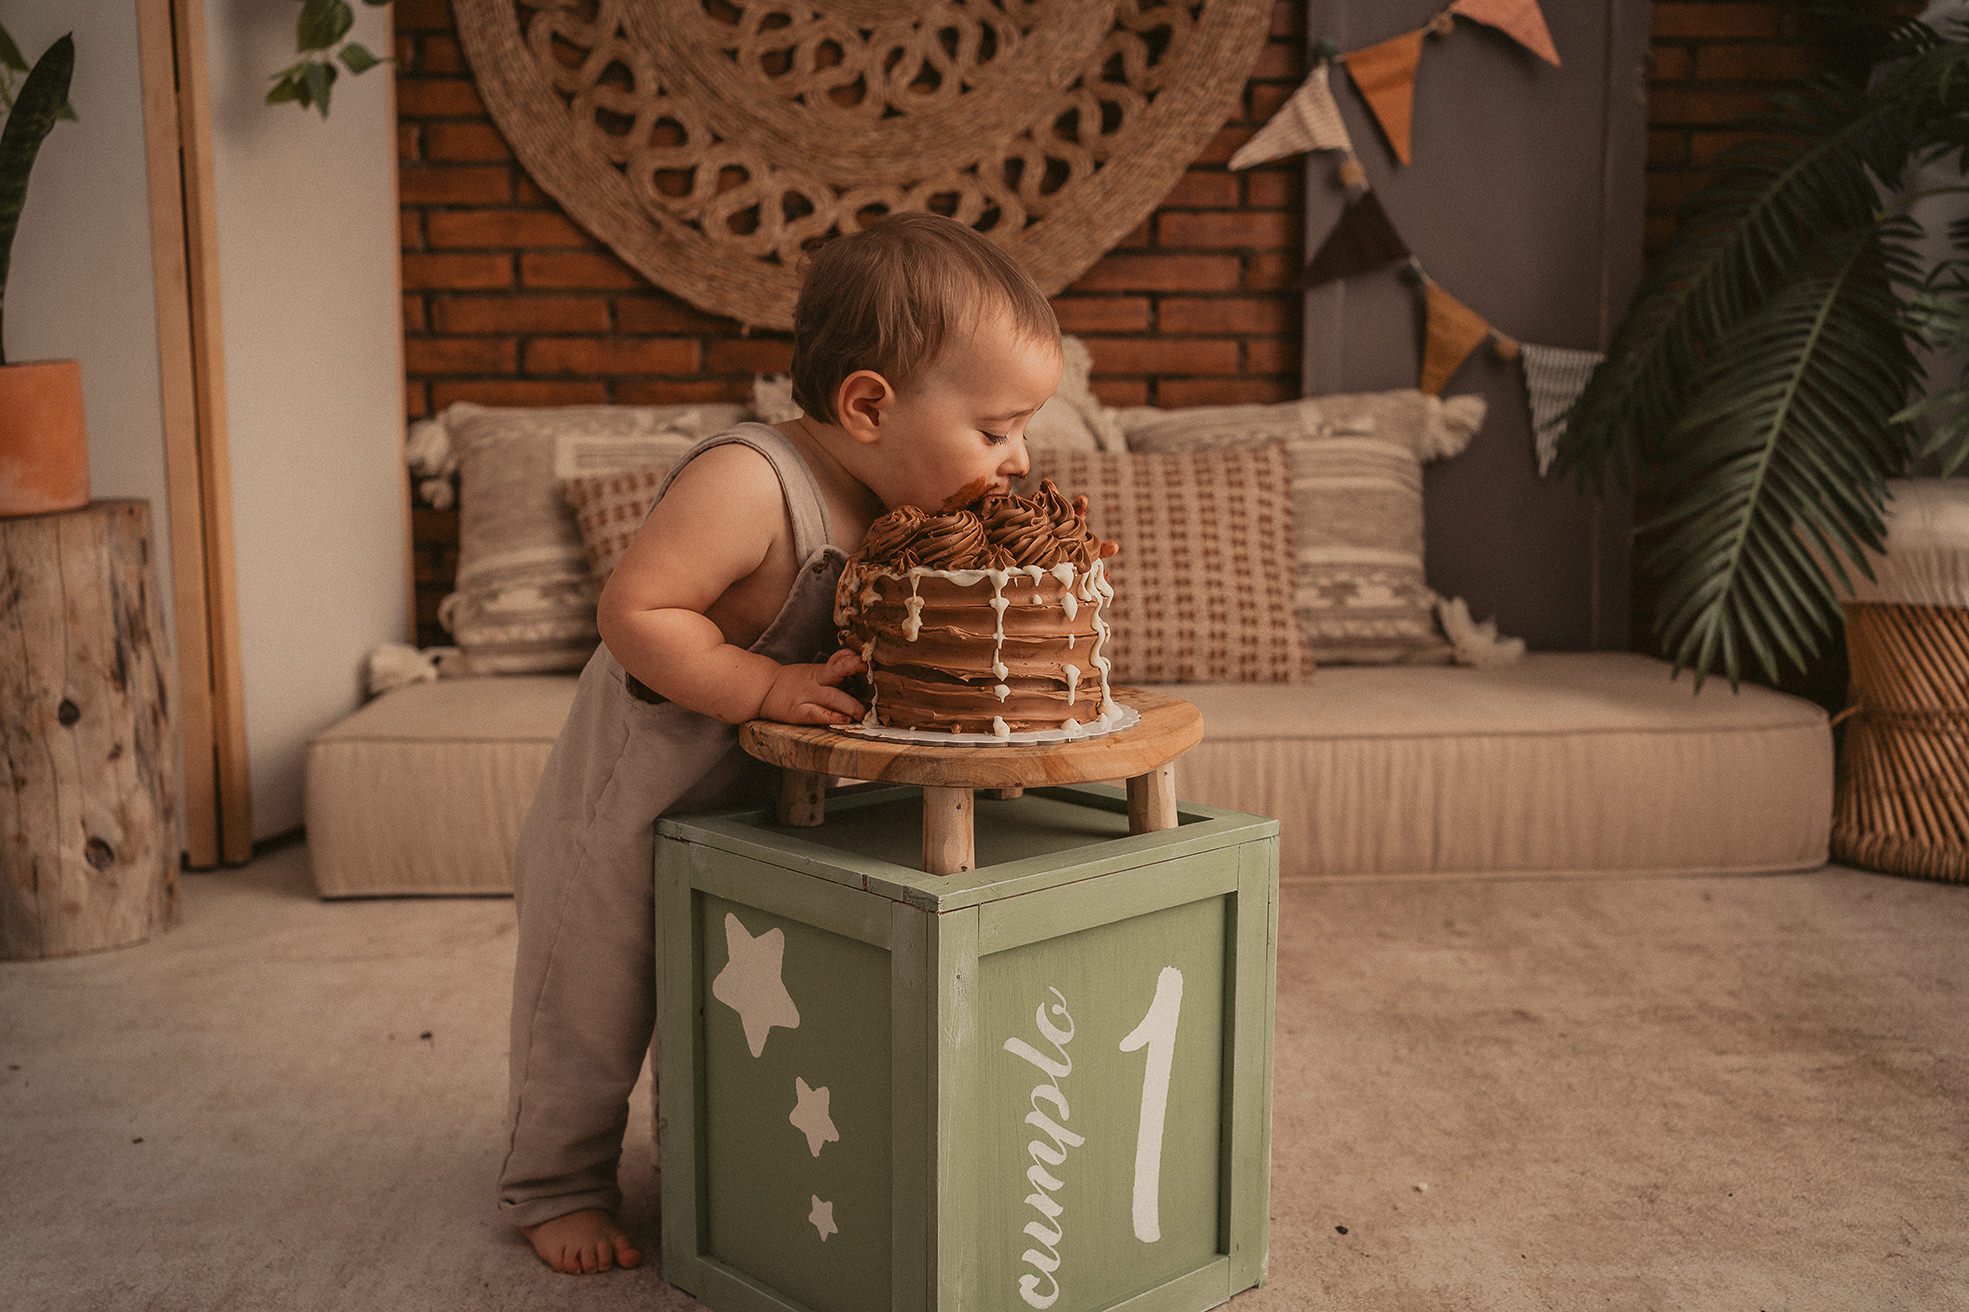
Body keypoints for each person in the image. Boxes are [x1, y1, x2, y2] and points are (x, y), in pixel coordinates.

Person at [498, 211, 1064, 1275]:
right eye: (995, 429)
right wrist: (765, 681)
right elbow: (640, 612)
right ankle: (554, 1181)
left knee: (743, 1002)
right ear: (866, 405)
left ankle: (727, 1155)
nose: (1017, 459)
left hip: (746, 812)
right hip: (624, 813)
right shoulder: (751, 480)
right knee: (590, 1002)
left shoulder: (896, 508)